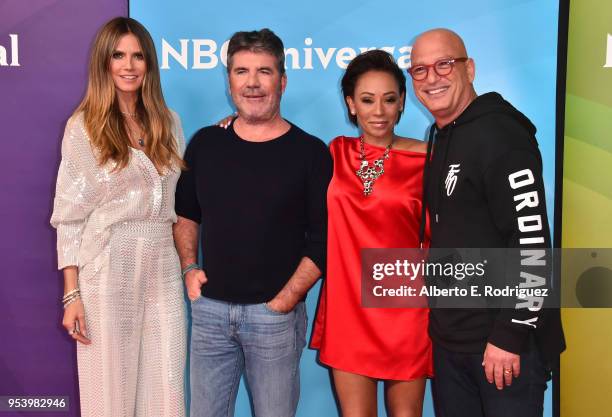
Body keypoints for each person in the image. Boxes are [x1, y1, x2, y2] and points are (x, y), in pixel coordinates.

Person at [173, 28, 332, 417]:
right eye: (241, 71)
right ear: (229, 81)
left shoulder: (310, 153)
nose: (253, 83)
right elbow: (186, 215)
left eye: (264, 71)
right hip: (209, 313)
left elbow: (324, 239)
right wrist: (190, 268)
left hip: (274, 318)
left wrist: (286, 300)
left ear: (282, 80)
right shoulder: (206, 143)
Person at [408, 28, 565, 417]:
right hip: (452, 343)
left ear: (470, 68)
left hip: (503, 346)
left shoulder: (502, 134)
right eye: (420, 70)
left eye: (444, 64)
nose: (432, 78)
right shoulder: (441, 134)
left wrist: (509, 336)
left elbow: (531, 242)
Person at [50, 17, 186, 417]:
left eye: (138, 56)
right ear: (103, 63)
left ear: (149, 64)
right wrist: (72, 294)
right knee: (109, 390)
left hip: (163, 263)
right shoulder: (85, 127)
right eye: (118, 55)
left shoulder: (169, 122)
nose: (129, 65)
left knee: (167, 387)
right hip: (108, 264)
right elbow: (70, 217)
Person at [310, 50, 433, 417]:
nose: (378, 110)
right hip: (349, 309)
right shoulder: (334, 153)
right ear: (351, 104)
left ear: (401, 104)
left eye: (389, 99)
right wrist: (233, 124)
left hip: (406, 311)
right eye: (367, 100)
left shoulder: (428, 159)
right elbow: (276, 157)